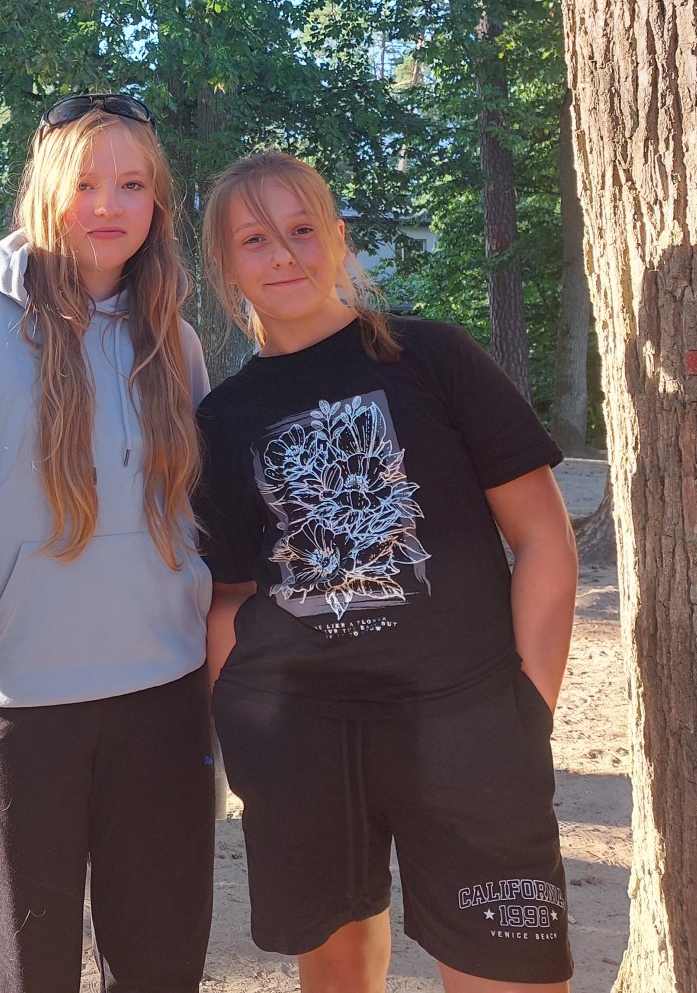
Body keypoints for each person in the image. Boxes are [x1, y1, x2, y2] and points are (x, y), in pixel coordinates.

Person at [194, 150, 578, 993]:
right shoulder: (222, 419)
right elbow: (230, 596)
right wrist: (242, 738)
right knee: (335, 971)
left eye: (301, 230)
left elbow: (543, 536)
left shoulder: (432, 357)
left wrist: (531, 704)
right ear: (225, 266)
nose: (283, 256)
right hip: (300, 738)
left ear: (338, 237)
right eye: (254, 240)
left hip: (468, 718)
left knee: (512, 973)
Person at [0, 92, 217, 992]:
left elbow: (205, 533)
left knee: (161, 973)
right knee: (24, 977)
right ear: (43, 191)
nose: (108, 205)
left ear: (158, 202)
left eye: (132, 184)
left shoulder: (176, 341)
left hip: (166, 708)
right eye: (84, 183)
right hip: (24, 715)